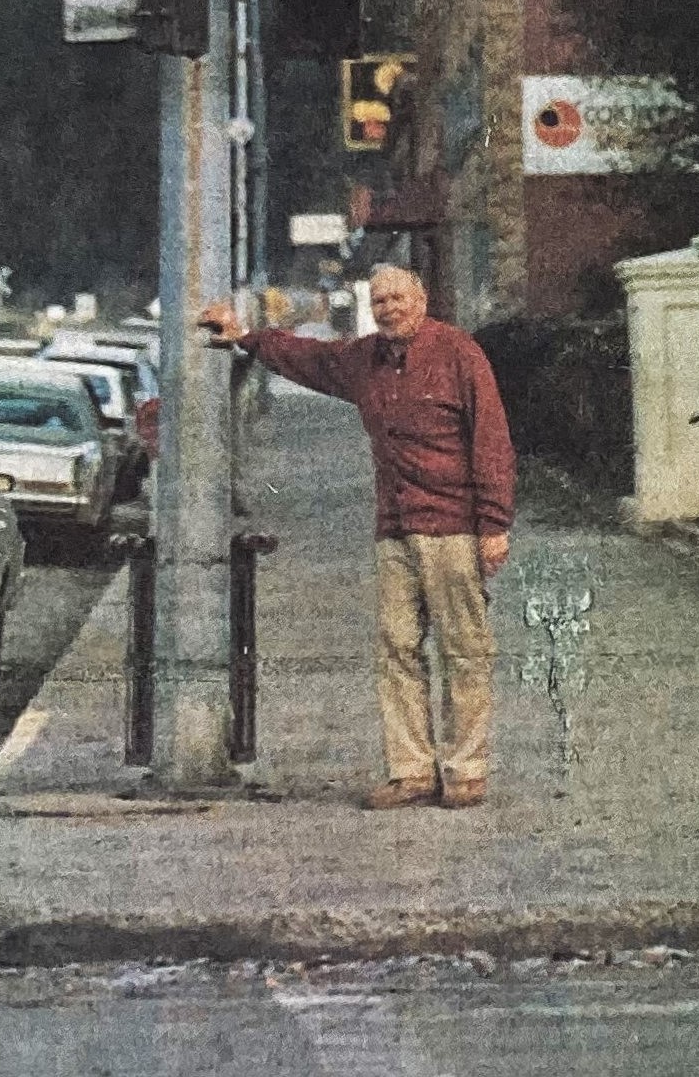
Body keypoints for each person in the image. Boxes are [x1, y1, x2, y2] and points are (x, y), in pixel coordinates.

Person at [200, 264, 515, 811]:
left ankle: (466, 771)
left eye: (397, 298)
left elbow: (491, 441)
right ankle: (412, 771)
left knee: (465, 650)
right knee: (397, 649)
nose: (388, 308)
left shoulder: (459, 354)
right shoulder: (363, 359)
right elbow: (309, 359)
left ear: (422, 299)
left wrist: (494, 525)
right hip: (394, 528)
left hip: (453, 528)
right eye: (379, 300)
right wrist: (246, 339)